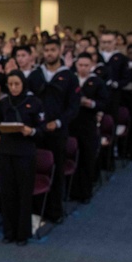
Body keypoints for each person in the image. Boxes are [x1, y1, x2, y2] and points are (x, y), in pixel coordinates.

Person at [0, 70, 45, 246]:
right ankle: (8, 232)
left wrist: (31, 131)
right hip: (6, 152)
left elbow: (42, 130)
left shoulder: (34, 102)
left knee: (24, 194)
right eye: (10, 84)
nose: (14, 88)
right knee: (7, 194)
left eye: (17, 84)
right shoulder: (3, 103)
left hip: (25, 152)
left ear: (23, 84)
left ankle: (22, 234)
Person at [37, 38, 80, 222]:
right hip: (37, 131)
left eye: (53, 50)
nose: (49, 53)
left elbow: (73, 107)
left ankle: (55, 211)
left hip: (58, 132)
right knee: (37, 168)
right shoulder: (36, 75)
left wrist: (59, 122)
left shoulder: (69, 76)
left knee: (56, 170)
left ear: (60, 51)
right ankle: (37, 209)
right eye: (46, 50)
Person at [71, 53, 108, 203]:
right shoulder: (71, 80)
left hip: (88, 124)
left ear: (91, 65)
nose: (83, 68)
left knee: (87, 158)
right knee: (73, 158)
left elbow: (104, 102)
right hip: (72, 123)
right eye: (80, 65)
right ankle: (71, 191)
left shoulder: (97, 81)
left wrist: (91, 104)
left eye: (86, 65)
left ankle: (85, 192)